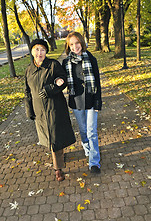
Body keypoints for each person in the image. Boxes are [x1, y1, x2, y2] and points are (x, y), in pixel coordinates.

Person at [24, 39, 76, 181]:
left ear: (46, 51)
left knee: (55, 137)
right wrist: (29, 109)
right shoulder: (29, 70)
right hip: (39, 110)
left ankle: (58, 169)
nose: (39, 53)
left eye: (42, 49)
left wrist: (50, 89)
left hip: (54, 108)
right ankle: (59, 158)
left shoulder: (53, 65)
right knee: (48, 138)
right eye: (36, 49)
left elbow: (63, 80)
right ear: (32, 51)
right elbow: (27, 92)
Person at [62, 32, 102, 174]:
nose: (75, 46)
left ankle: (94, 162)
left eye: (77, 43)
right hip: (76, 101)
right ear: (68, 46)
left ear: (82, 42)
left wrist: (98, 102)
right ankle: (87, 147)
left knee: (91, 131)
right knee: (84, 131)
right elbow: (61, 80)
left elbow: (97, 81)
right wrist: (57, 82)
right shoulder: (66, 62)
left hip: (91, 100)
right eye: (71, 44)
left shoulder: (91, 58)